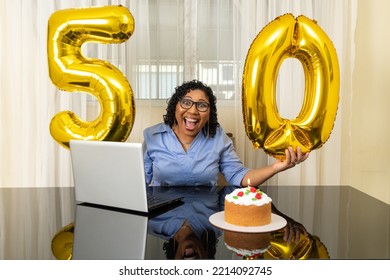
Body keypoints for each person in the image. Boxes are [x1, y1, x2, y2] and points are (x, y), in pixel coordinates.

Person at [143, 79, 309, 187]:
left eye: (201, 105)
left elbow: (240, 176)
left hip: (206, 218)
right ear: (175, 107)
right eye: (186, 102)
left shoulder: (217, 137)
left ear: (209, 114)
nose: (193, 110)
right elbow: (138, 184)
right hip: (164, 218)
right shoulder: (152, 137)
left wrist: (276, 167)